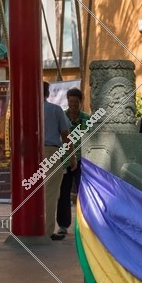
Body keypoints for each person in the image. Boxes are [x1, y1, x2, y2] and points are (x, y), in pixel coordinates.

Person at [58, 87, 90, 235]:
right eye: (70, 101)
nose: (73, 105)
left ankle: (84, 224)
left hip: (82, 161)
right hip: (64, 161)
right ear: (68, 101)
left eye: (76, 102)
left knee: (82, 193)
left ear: (80, 102)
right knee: (63, 193)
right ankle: (63, 225)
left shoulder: (87, 119)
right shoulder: (62, 117)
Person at [43, 82, 73, 241]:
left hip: (30, 155)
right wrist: (72, 157)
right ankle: (47, 230)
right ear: (47, 93)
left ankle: (30, 227)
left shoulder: (26, 109)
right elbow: (65, 135)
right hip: (51, 152)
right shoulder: (55, 110)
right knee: (50, 192)